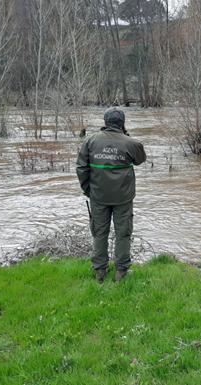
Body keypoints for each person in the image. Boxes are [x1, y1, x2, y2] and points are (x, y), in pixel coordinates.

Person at [76, 107, 147, 283]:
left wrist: (89, 190)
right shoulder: (131, 143)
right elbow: (140, 159)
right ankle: (121, 272)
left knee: (100, 233)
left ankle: (100, 271)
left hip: (98, 196)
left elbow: (81, 168)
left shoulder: (90, 141)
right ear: (122, 123)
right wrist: (126, 135)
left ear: (105, 122)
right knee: (123, 233)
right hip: (123, 197)